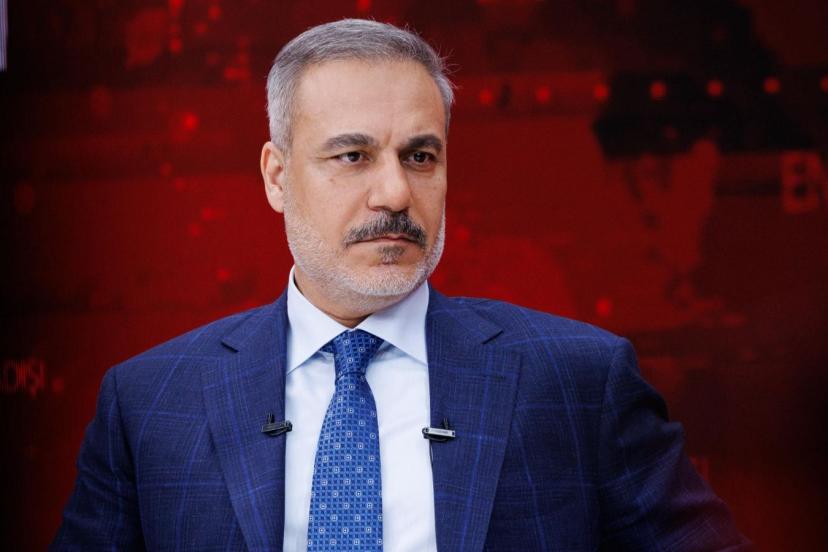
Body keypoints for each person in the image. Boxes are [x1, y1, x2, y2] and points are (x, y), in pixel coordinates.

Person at [52, 18, 751, 551]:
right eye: (353, 156)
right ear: (276, 176)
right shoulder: (147, 404)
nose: (395, 193)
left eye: (420, 157)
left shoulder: (581, 380)